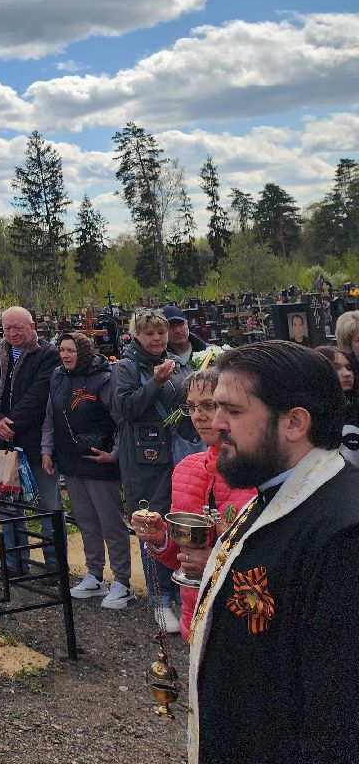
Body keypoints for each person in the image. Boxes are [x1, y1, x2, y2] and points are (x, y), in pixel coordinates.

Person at [188, 341, 359, 762]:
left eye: (232, 410)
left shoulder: (345, 534)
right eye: (214, 407)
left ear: (294, 422)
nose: (216, 423)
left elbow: (339, 717)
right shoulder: (273, 492)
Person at [130, 369, 255, 640]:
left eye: (209, 405)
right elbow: (182, 555)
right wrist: (160, 538)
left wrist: (215, 563)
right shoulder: (186, 469)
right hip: (195, 615)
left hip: (247, 619)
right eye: (191, 407)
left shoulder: (260, 473)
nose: (198, 416)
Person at [111, 308, 188, 633]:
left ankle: (184, 593)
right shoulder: (125, 368)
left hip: (177, 454)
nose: (157, 338)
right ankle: (160, 600)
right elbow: (125, 408)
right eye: (150, 333)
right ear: (137, 335)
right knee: (150, 525)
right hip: (144, 459)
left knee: (179, 523)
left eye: (161, 332)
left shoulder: (177, 363)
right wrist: (156, 382)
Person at [44, 332, 131, 609]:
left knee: (110, 523)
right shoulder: (57, 376)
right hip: (71, 460)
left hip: (99, 461)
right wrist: (47, 450)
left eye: (70, 350)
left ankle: (122, 581)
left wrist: (115, 454)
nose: (65, 355)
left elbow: (121, 419)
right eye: (62, 350)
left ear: (83, 352)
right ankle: (94, 575)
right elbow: (51, 416)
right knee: (86, 521)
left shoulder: (103, 378)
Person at [0, 306, 60, 576]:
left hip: (36, 443)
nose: (13, 333)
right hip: (4, 447)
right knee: (8, 508)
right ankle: (15, 564)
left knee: (49, 508)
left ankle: (54, 567)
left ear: (31, 327)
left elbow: (39, 394)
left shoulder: (47, 354)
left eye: (18, 328)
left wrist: (8, 424)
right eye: (8, 328)